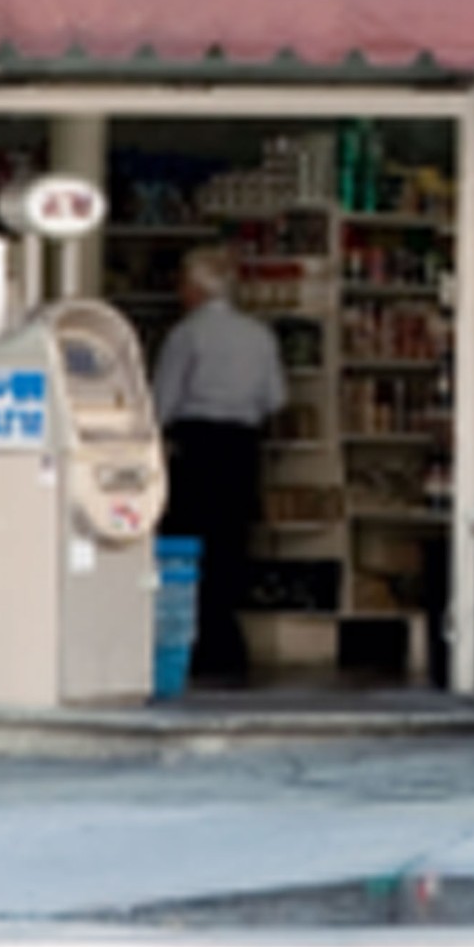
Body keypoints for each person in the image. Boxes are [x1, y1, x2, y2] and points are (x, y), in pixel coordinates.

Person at [152, 245, 286, 684]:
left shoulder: (186, 335)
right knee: (231, 544)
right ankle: (228, 643)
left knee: (189, 544)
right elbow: (275, 399)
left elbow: (163, 401)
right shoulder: (259, 335)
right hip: (242, 447)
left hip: (197, 445)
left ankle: (196, 641)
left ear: (195, 289)